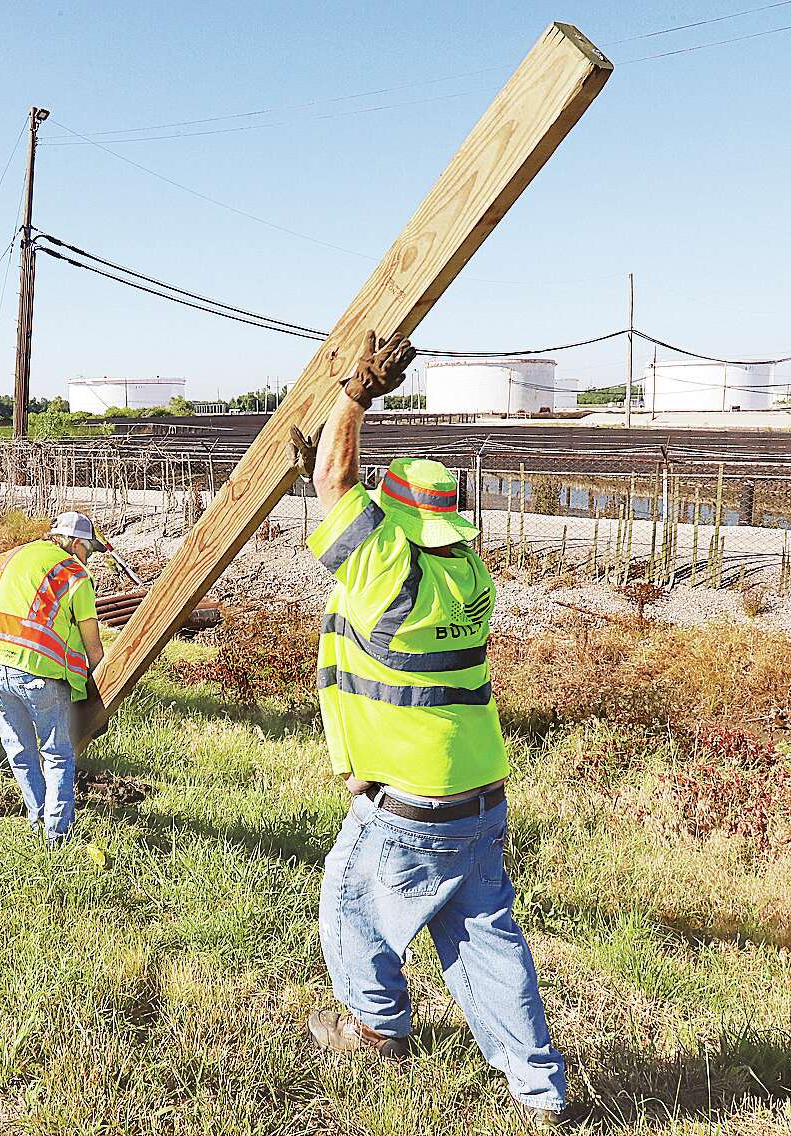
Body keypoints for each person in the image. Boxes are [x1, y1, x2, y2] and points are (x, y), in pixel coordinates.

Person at [290, 332, 567, 1129]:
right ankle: (537, 1087)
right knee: (485, 938)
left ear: (393, 517)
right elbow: (350, 502)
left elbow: (337, 481)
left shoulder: (387, 566)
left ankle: (375, 1030)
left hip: (413, 803)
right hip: (479, 791)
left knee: (348, 906)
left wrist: (355, 397)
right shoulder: (466, 570)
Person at [0, 511, 105, 846]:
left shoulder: (7, 557)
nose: (88, 557)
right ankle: (57, 837)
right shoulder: (74, 574)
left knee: (20, 750)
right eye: (88, 549)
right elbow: (94, 647)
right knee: (57, 754)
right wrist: (99, 694)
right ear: (75, 543)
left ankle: (39, 821)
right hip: (37, 670)